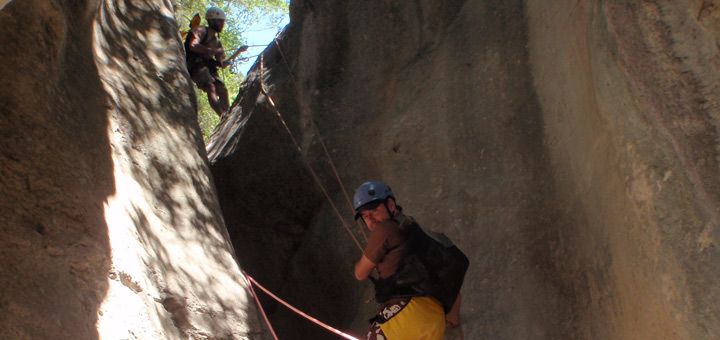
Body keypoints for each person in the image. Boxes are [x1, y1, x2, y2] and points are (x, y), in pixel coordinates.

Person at [353, 180, 462, 340]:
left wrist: (371, 256)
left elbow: (360, 274)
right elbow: (451, 283)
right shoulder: (414, 227)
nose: (370, 220)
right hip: (434, 316)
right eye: (365, 216)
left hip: (411, 315)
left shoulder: (384, 229)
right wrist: (452, 321)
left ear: (390, 204)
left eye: (374, 211)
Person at [185, 7, 246, 116]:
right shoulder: (201, 30)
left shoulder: (217, 41)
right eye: (221, 21)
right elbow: (193, 45)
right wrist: (212, 50)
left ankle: (228, 114)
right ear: (212, 20)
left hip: (208, 67)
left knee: (222, 90)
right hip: (195, 64)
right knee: (210, 86)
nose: (223, 24)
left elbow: (222, 64)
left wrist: (238, 52)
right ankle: (222, 114)